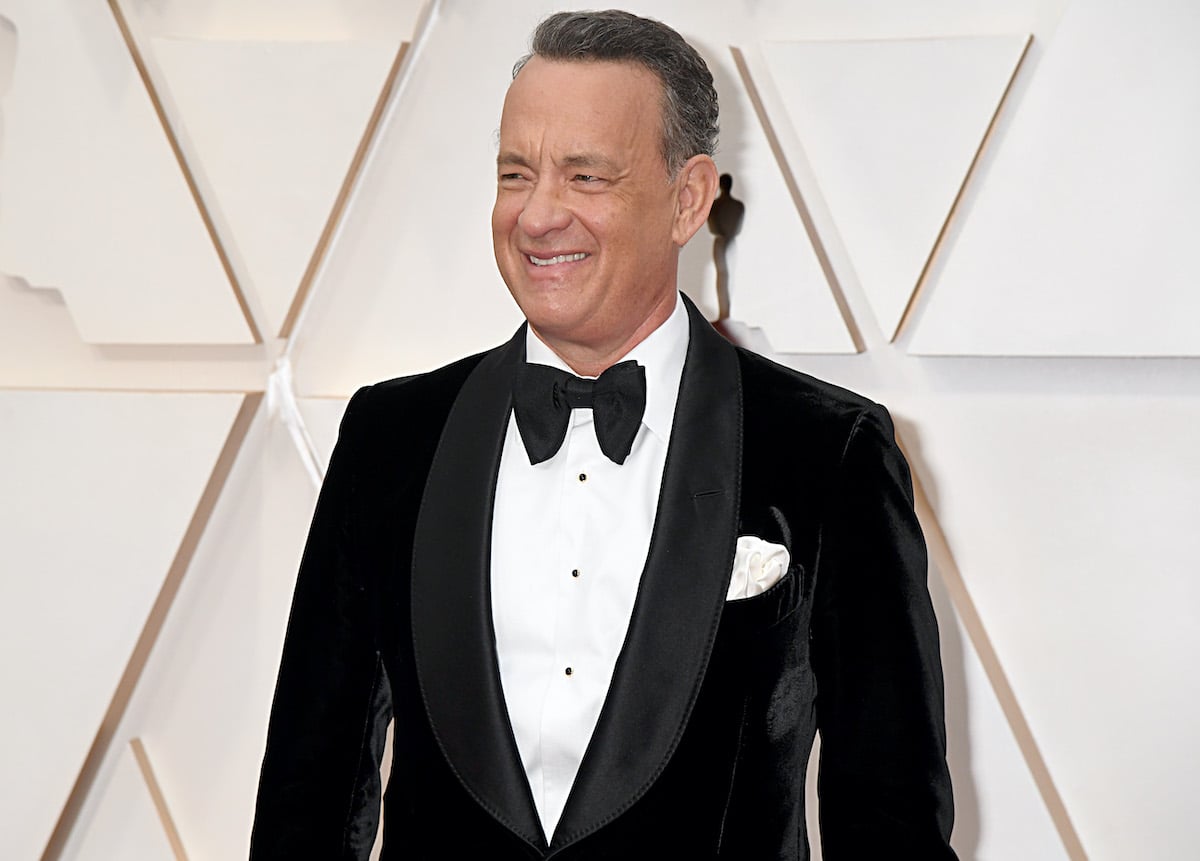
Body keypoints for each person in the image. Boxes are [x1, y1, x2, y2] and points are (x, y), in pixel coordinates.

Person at [250, 10, 956, 859]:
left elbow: (890, 823)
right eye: (516, 174)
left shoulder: (827, 451)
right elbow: (306, 799)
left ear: (687, 199)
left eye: (585, 177)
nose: (538, 215)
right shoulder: (390, 439)